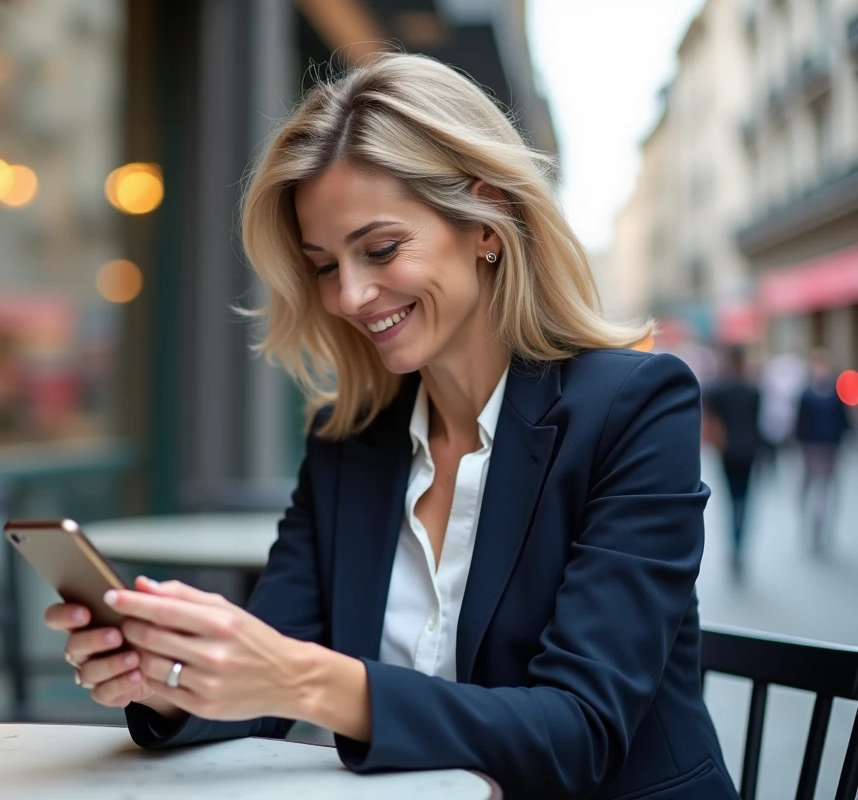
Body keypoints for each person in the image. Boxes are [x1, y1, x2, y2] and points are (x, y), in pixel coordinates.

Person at [44, 54, 734, 799]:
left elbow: (580, 732)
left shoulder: (634, 406)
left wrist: (305, 680)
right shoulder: (351, 441)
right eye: (322, 265)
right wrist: (170, 681)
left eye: (379, 249)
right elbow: (272, 673)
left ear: (486, 223)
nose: (349, 295)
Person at [702, 346, 763, 579]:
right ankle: (739, 544)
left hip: (727, 451)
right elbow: (759, 423)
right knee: (744, 500)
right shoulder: (753, 389)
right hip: (748, 451)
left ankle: (734, 545)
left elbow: (710, 418)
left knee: (731, 499)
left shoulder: (719, 389)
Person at [796, 348, 850, 555]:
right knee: (818, 486)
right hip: (814, 446)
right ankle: (814, 523)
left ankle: (818, 525)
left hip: (826, 446)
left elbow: (842, 421)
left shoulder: (822, 393)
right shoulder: (809, 394)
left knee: (822, 488)